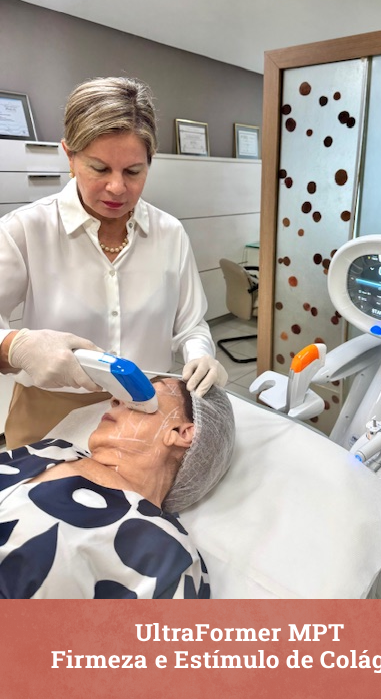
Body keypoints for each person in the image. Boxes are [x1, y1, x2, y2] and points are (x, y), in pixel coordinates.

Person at [0, 76, 227, 448]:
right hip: (50, 412)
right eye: (100, 168)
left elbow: (191, 325)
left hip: (145, 410)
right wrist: (15, 346)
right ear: (69, 156)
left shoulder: (169, 233)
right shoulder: (25, 229)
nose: (118, 188)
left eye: (133, 171)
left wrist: (200, 355)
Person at [0, 377, 235, 599]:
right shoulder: (52, 449)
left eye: (145, 395)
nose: (114, 399)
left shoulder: (169, 556)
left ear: (182, 433)